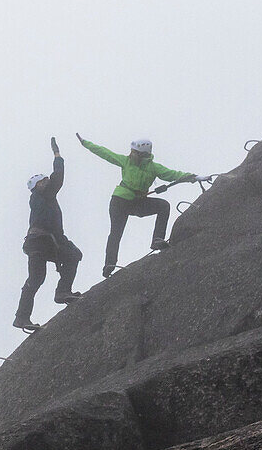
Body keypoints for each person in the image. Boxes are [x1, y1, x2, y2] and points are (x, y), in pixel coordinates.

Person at [76, 134, 210, 278]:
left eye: (134, 152)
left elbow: (172, 174)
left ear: (143, 154)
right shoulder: (126, 161)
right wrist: (85, 143)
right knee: (116, 233)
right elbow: (105, 153)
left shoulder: (153, 168)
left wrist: (194, 177)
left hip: (137, 202)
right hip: (120, 201)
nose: (131, 154)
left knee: (163, 206)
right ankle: (109, 265)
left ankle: (157, 240)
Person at [13, 137, 83, 333]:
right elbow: (58, 177)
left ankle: (26, 314)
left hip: (43, 241)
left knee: (42, 274)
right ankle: (59, 294)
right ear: (38, 186)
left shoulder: (41, 196)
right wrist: (57, 156)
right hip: (41, 241)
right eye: (44, 181)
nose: (48, 182)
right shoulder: (42, 195)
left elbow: (56, 179)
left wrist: (57, 156)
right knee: (39, 276)